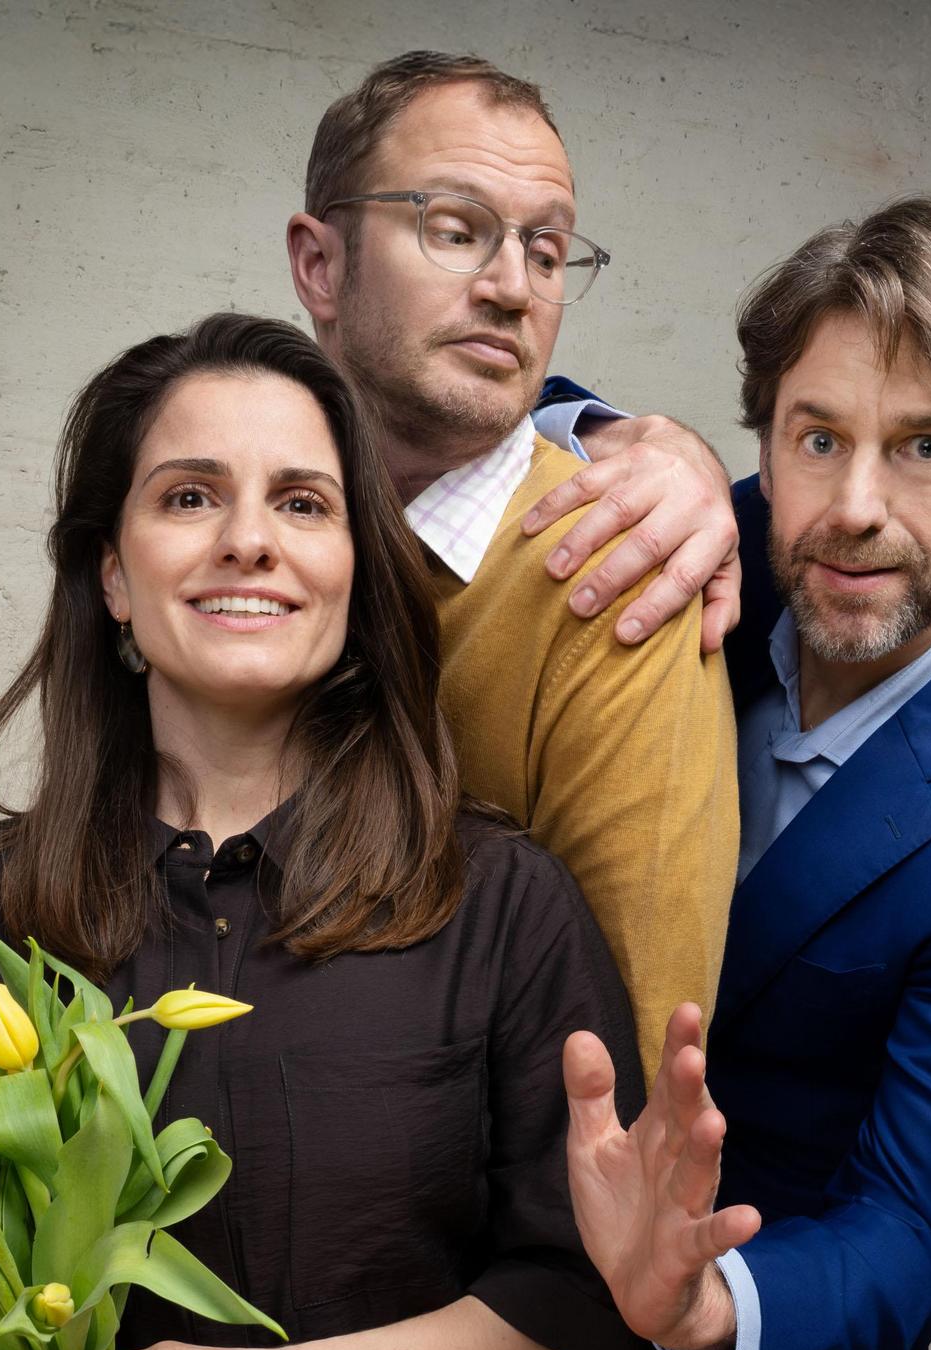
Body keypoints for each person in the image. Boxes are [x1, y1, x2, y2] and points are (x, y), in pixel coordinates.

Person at [0, 313, 647, 1350]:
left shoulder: (504, 905)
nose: (249, 540)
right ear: (113, 575)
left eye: (302, 502)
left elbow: (587, 1299)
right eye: (190, 497)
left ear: (354, 571)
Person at [557, 198, 931, 1350]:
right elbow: (495, 402)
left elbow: (916, 1222)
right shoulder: (714, 549)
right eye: (818, 439)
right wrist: (636, 437)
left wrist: (705, 1306)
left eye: (926, 448)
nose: (855, 504)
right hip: (509, 1340)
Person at [285, 52, 738, 1083]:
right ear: (320, 264)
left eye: (547, 251)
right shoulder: (242, 540)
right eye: (455, 230)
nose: (512, 289)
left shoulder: (622, 571)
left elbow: (629, 1073)